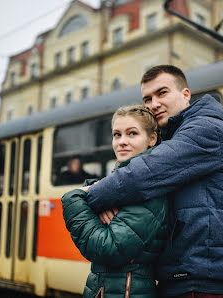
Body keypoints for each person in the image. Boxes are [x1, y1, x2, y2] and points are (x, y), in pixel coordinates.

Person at [83, 65, 223, 297]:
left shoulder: (206, 128)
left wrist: (88, 195)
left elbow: (140, 176)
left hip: (198, 281)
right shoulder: (174, 135)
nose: (153, 104)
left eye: (162, 93)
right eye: (147, 98)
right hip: (182, 275)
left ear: (185, 94)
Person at [62, 105, 168, 298]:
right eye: (117, 135)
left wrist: (74, 201)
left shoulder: (151, 188)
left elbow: (108, 248)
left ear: (152, 139)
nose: (122, 142)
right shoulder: (119, 184)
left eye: (132, 133)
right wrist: (99, 200)